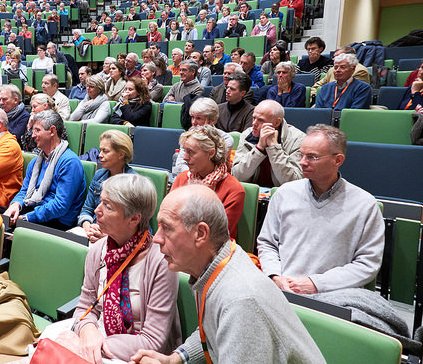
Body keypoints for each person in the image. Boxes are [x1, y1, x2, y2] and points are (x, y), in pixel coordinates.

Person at [129, 185, 325, 364]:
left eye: (167, 228)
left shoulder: (240, 299)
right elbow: (213, 330)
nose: (157, 239)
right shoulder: (212, 266)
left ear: (200, 233)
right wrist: (175, 359)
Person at [67, 174, 181, 362]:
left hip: (137, 355)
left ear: (134, 218)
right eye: (100, 202)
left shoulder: (161, 262)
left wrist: (99, 344)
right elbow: (86, 308)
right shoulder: (97, 250)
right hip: (97, 339)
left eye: (108, 206)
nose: (97, 210)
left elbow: (153, 340)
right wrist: (87, 330)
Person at [258, 124, 384, 294]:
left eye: (312, 157)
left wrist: (316, 283)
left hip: (333, 296)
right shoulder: (284, 193)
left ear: (337, 160)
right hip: (282, 290)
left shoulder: (364, 204)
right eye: (301, 155)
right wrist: (275, 275)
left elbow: (367, 264)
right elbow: (267, 243)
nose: (302, 162)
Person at [4, 110, 86, 230]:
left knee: (7, 228)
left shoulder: (69, 162)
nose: (32, 135)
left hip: (58, 222)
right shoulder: (35, 162)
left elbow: (60, 206)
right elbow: (24, 191)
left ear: (52, 131)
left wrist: (26, 218)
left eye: (37, 130)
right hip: (35, 210)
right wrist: (16, 205)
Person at [171, 125, 244, 238]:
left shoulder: (234, 190)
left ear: (210, 153)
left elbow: (217, 236)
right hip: (177, 242)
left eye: (190, 152)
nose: (185, 157)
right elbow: (166, 219)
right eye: (185, 151)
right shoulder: (182, 178)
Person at [76, 131, 137, 242]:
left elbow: (138, 226)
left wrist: (109, 237)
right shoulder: (99, 175)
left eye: (105, 151)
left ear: (121, 154)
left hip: (119, 240)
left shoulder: (133, 183)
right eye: (100, 150)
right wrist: (88, 227)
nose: (99, 155)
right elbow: (87, 210)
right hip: (92, 233)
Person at [232, 99, 305, 187]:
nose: (254, 123)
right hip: (253, 194)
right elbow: (237, 176)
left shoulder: (298, 139)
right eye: (254, 118)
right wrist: (259, 148)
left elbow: (293, 182)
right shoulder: (247, 135)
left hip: (282, 195)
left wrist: (274, 148)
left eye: (260, 120)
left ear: (277, 122)